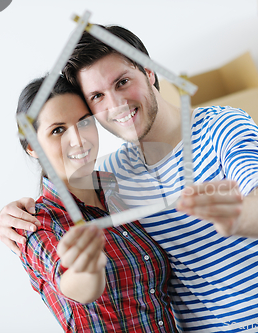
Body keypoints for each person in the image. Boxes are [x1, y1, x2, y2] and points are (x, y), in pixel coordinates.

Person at [0, 25, 258, 332]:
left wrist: (242, 216)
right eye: (97, 97)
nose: (115, 104)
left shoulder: (222, 127)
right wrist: (7, 218)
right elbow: (59, 197)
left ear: (149, 73)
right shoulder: (113, 178)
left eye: (122, 82)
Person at [14, 75, 177, 332]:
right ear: (32, 146)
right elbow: (75, 286)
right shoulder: (35, 224)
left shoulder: (117, 187)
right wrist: (85, 270)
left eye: (84, 122)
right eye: (58, 130)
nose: (78, 139)